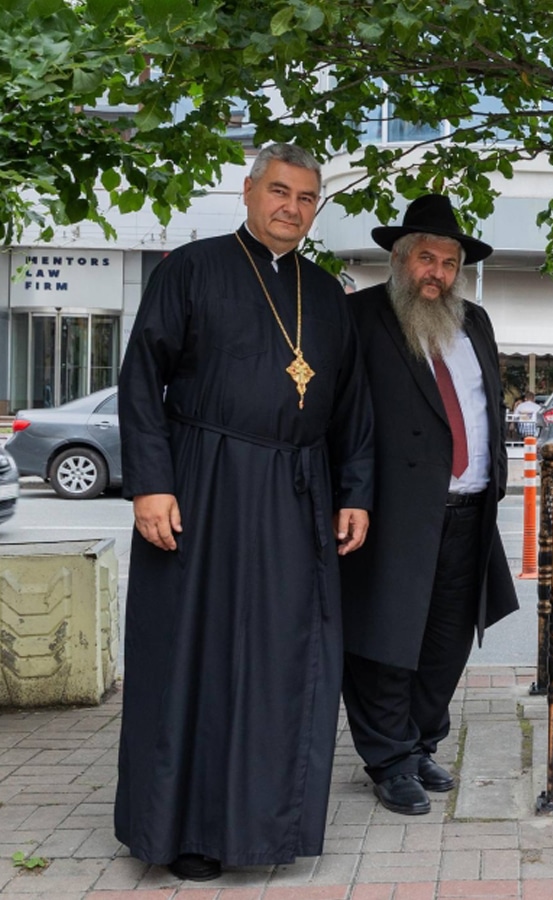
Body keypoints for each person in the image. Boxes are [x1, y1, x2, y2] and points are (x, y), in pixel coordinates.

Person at [115, 143, 374, 880]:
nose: (292, 208)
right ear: (249, 191)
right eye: (280, 192)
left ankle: (264, 829)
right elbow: (142, 382)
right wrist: (150, 484)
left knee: (282, 661)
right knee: (194, 657)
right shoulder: (191, 270)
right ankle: (184, 833)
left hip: (298, 494)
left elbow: (352, 407)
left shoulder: (326, 294)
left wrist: (355, 492)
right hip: (203, 485)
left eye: (307, 198)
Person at [339, 194, 520, 815]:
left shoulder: (476, 322)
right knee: (388, 641)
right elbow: (345, 419)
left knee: (446, 642)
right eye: (426, 257)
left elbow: (485, 406)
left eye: (449, 261)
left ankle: (419, 743)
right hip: (392, 515)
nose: (437, 272)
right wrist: (351, 496)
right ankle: (387, 760)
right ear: (399, 259)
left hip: (470, 511)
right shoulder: (360, 317)